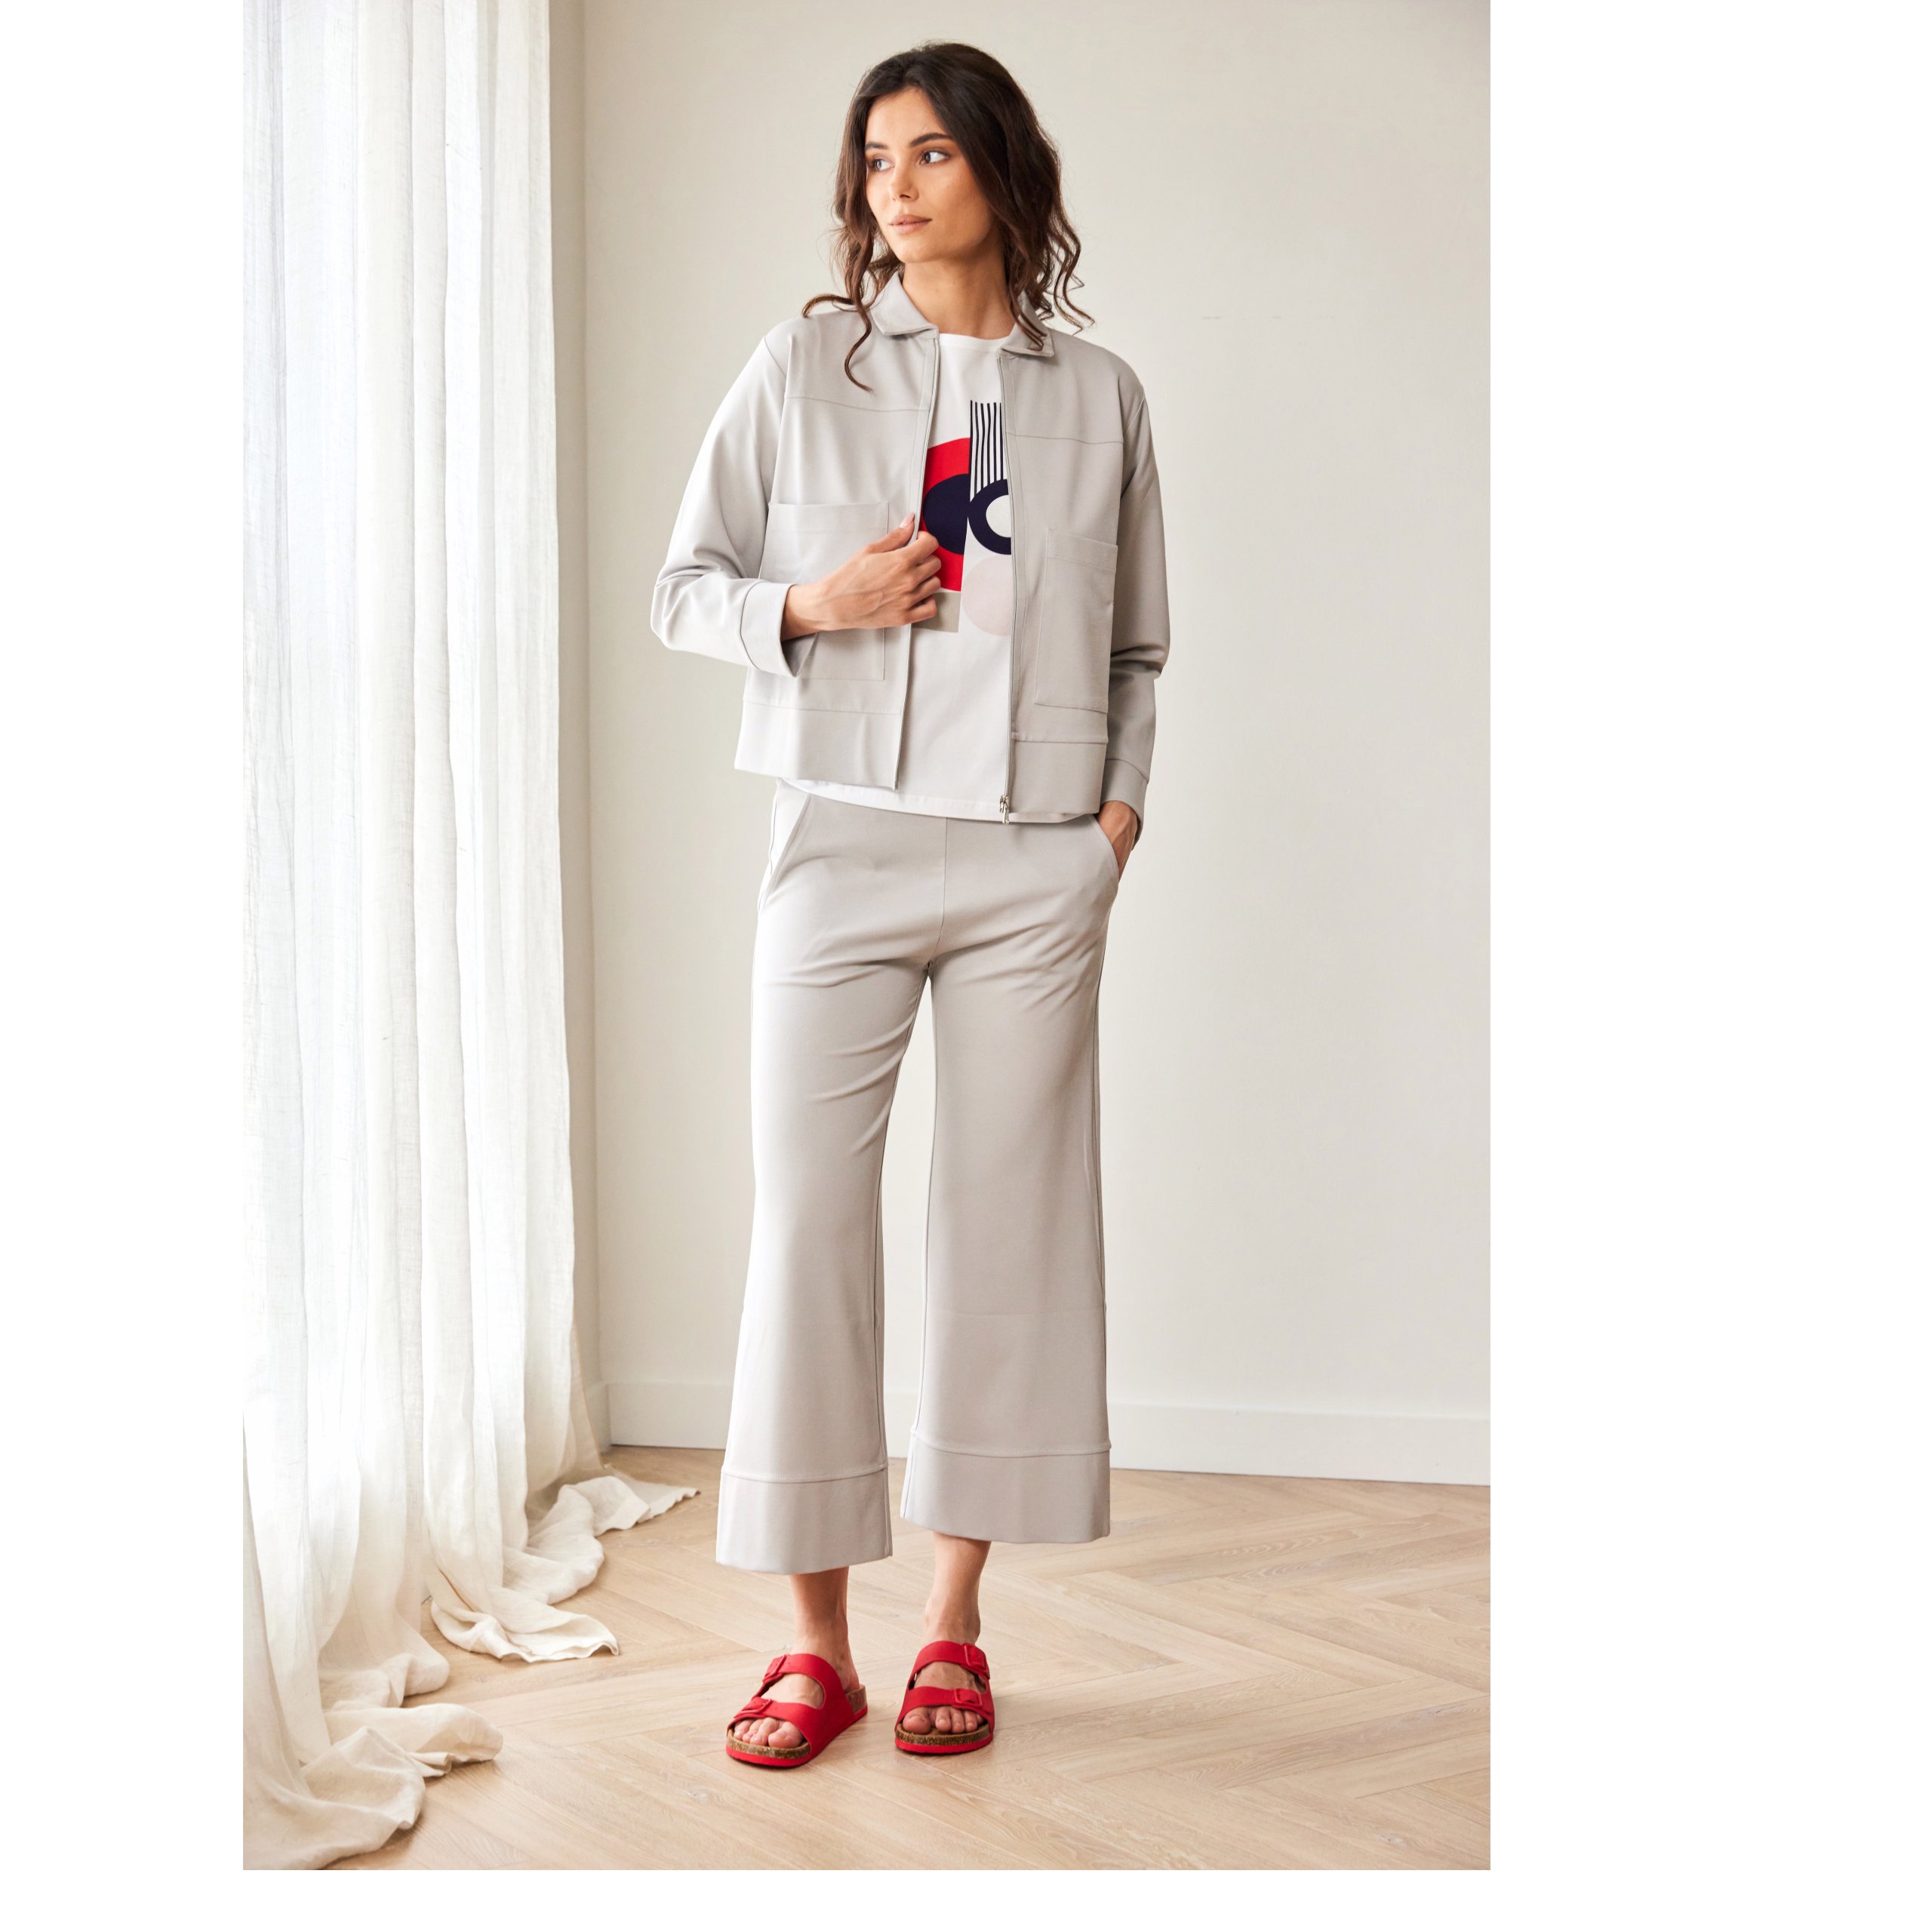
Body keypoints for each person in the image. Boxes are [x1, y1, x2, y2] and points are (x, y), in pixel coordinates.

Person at [652, 40, 1169, 1768]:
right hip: (843, 846)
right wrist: (808, 604)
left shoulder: (1099, 398)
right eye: (875, 157)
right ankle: (813, 1641)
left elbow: (1138, 645)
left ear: (1001, 169)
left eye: (930, 152)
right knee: (810, 1222)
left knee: (1007, 1234)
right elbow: (682, 586)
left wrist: (1110, 818)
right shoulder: (803, 365)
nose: (894, 185)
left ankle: (953, 1616)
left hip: (1034, 861)